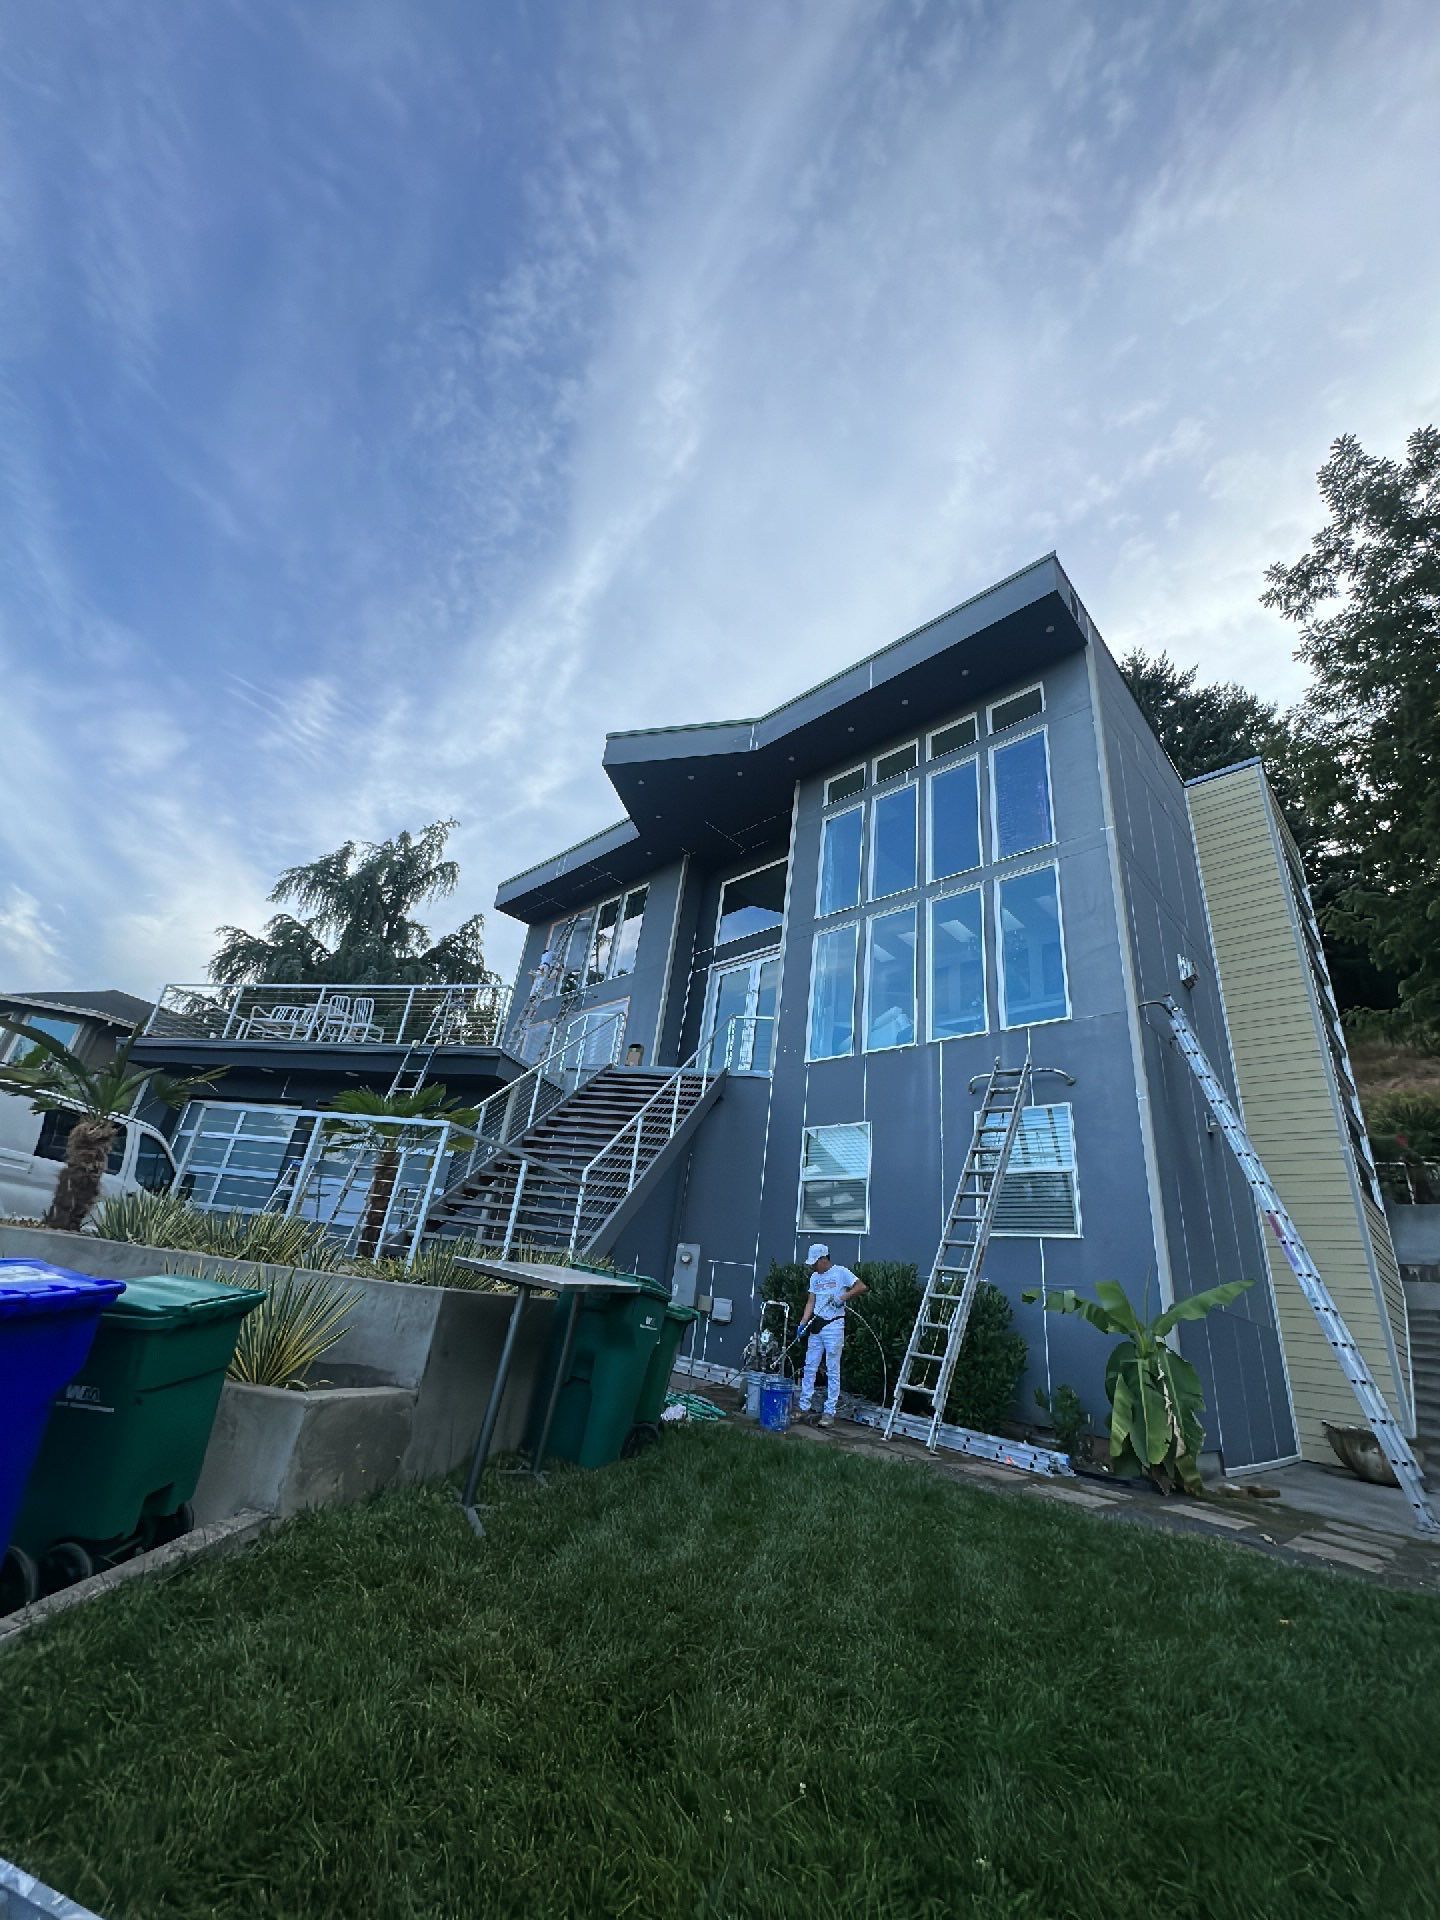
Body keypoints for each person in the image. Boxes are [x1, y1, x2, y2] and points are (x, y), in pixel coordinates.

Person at [796, 1244, 866, 1428]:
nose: (813, 1267)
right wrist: (803, 1322)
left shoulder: (841, 1272)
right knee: (809, 1366)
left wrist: (842, 1297)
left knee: (832, 1368)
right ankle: (803, 1406)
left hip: (834, 1325)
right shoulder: (814, 1277)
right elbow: (811, 1301)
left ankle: (829, 1412)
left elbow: (861, 1287)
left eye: (815, 1263)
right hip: (816, 1325)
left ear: (823, 1259)